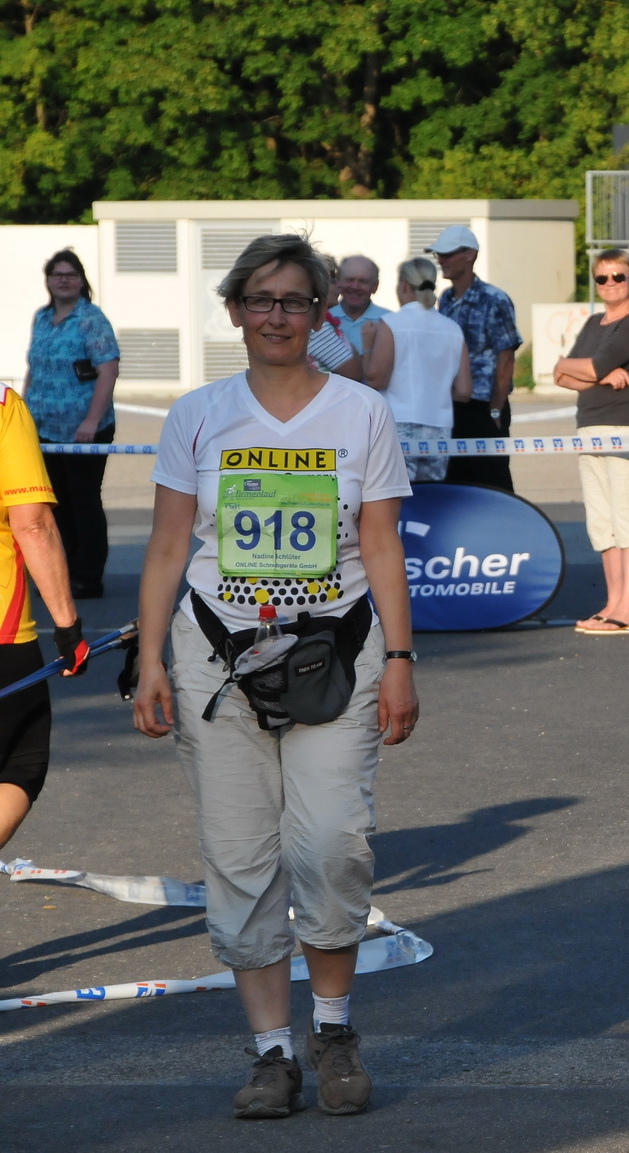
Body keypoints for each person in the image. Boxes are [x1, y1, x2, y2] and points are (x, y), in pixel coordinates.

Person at [131, 234, 417, 1121]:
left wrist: (401, 661)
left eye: (295, 301)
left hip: (336, 653)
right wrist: (149, 659)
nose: (277, 317)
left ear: (322, 311)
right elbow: (172, 544)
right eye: (261, 300)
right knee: (239, 858)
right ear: (234, 311)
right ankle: (271, 1052)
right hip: (216, 657)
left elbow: (380, 542)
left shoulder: (360, 412)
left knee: (332, 842)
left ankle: (332, 1025)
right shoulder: (198, 414)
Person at [0, 383, 88, 854]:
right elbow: (32, 524)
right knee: (20, 764)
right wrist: (68, 625)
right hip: (3, 632)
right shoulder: (3, 404)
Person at [552, 249, 629, 634]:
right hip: (588, 427)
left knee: (628, 517)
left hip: (626, 426)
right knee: (602, 522)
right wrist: (596, 375)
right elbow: (560, 376)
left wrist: (582, 368)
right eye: (603, 279)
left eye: (619, 277)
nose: (611, 284)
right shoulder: (594, 321)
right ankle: (613, 603)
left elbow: (583, 366)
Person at [22, 249, 120, 599]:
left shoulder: (91, 319)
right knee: (54, 501)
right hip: (44, 429)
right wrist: (22, 415)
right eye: (57, 274)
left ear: (81, 280)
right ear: (48, 280)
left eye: (70, 274)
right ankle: (62, 570)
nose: (63, 279)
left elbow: (108, 369)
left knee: (84, 500)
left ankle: (87, 577)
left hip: (85, 429)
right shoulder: (42, 318)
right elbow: (35, 369)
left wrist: (92, 420)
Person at [430, 225, 522, 492]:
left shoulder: (495, 299)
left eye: (447, 254)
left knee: (492, 482)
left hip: (484, 408)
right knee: (456, 483)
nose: (441, 261)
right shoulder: (445, 299)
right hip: (452, 406)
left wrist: (495, 409)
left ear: (469, 255)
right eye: (439, 255)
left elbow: (506, 359)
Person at [367, 258, 473, 482]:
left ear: (403, 285)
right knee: (431, 497)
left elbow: (377, 380)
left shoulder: (391, 324)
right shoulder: (453, 329)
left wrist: (367, 346)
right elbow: (464, 391)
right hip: (439, 424)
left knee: (396, 495)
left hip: (399, 421)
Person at [330, 257, 392, 352]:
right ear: (338, 282)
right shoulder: (323, 320)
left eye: (363, 281)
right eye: (350, 280)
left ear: (375, 286)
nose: (355, 287)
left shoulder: (389, 322)